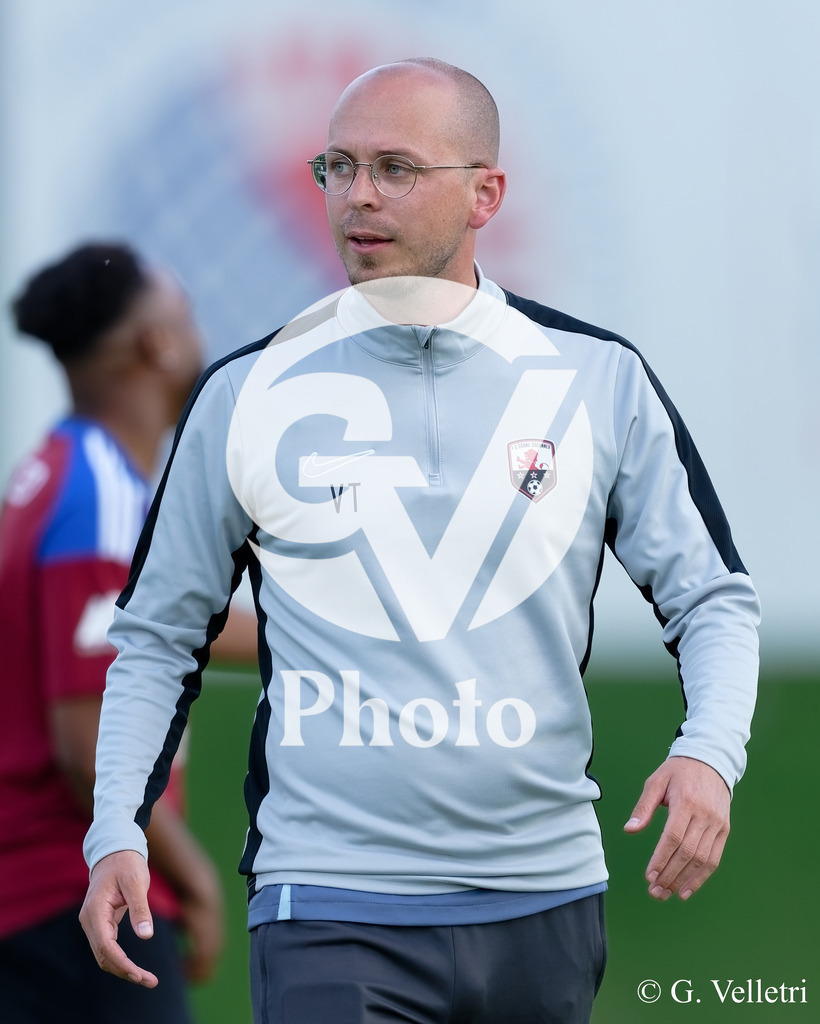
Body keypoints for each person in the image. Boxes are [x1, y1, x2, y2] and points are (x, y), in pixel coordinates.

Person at [79, 60, 760, 1024]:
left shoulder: (598, 380)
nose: (359, 196)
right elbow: (156, 635)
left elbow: (713, 600)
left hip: (545, 898)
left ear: (487, 194)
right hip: (326, 899)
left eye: (396, 167)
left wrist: (710, 753)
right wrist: (117, 828)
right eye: (339, 166)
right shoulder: (244, 394)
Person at [0, 242, 256, 1024]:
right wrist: (194, 878)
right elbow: (86, 742)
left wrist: (328, 631)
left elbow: (160, 626)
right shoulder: (102, 499)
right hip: (74, 900)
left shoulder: (61, 472)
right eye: (184, 309)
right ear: (157, 342)